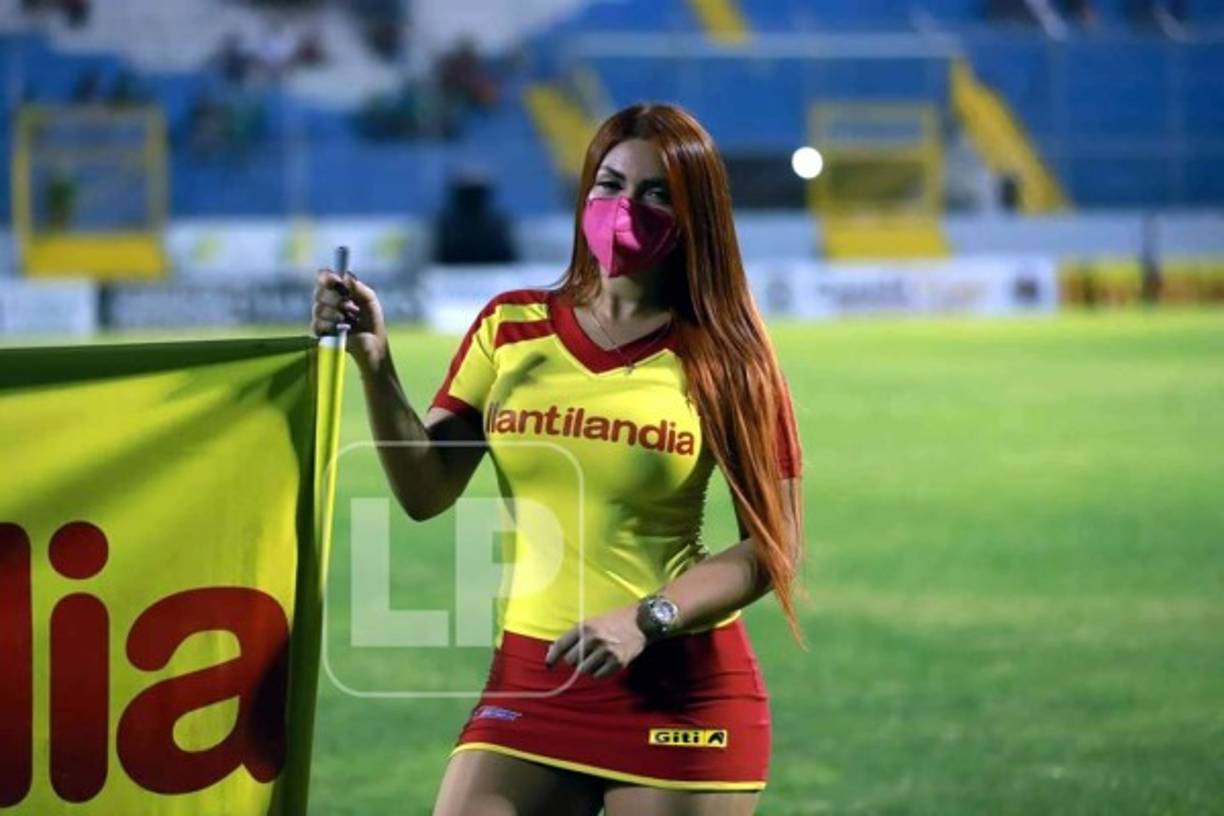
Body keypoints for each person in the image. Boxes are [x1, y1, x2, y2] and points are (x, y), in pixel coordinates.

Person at [312, 103, 804, 815]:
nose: (623, 207)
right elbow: (425, 490)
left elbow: (775, 545)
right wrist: (376, 363)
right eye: (609, 184)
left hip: (681, 695)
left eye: (655, 192)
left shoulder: (730, 359)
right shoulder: (511, 326)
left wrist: (646, 618)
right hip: (534, 679)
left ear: (696, 213)